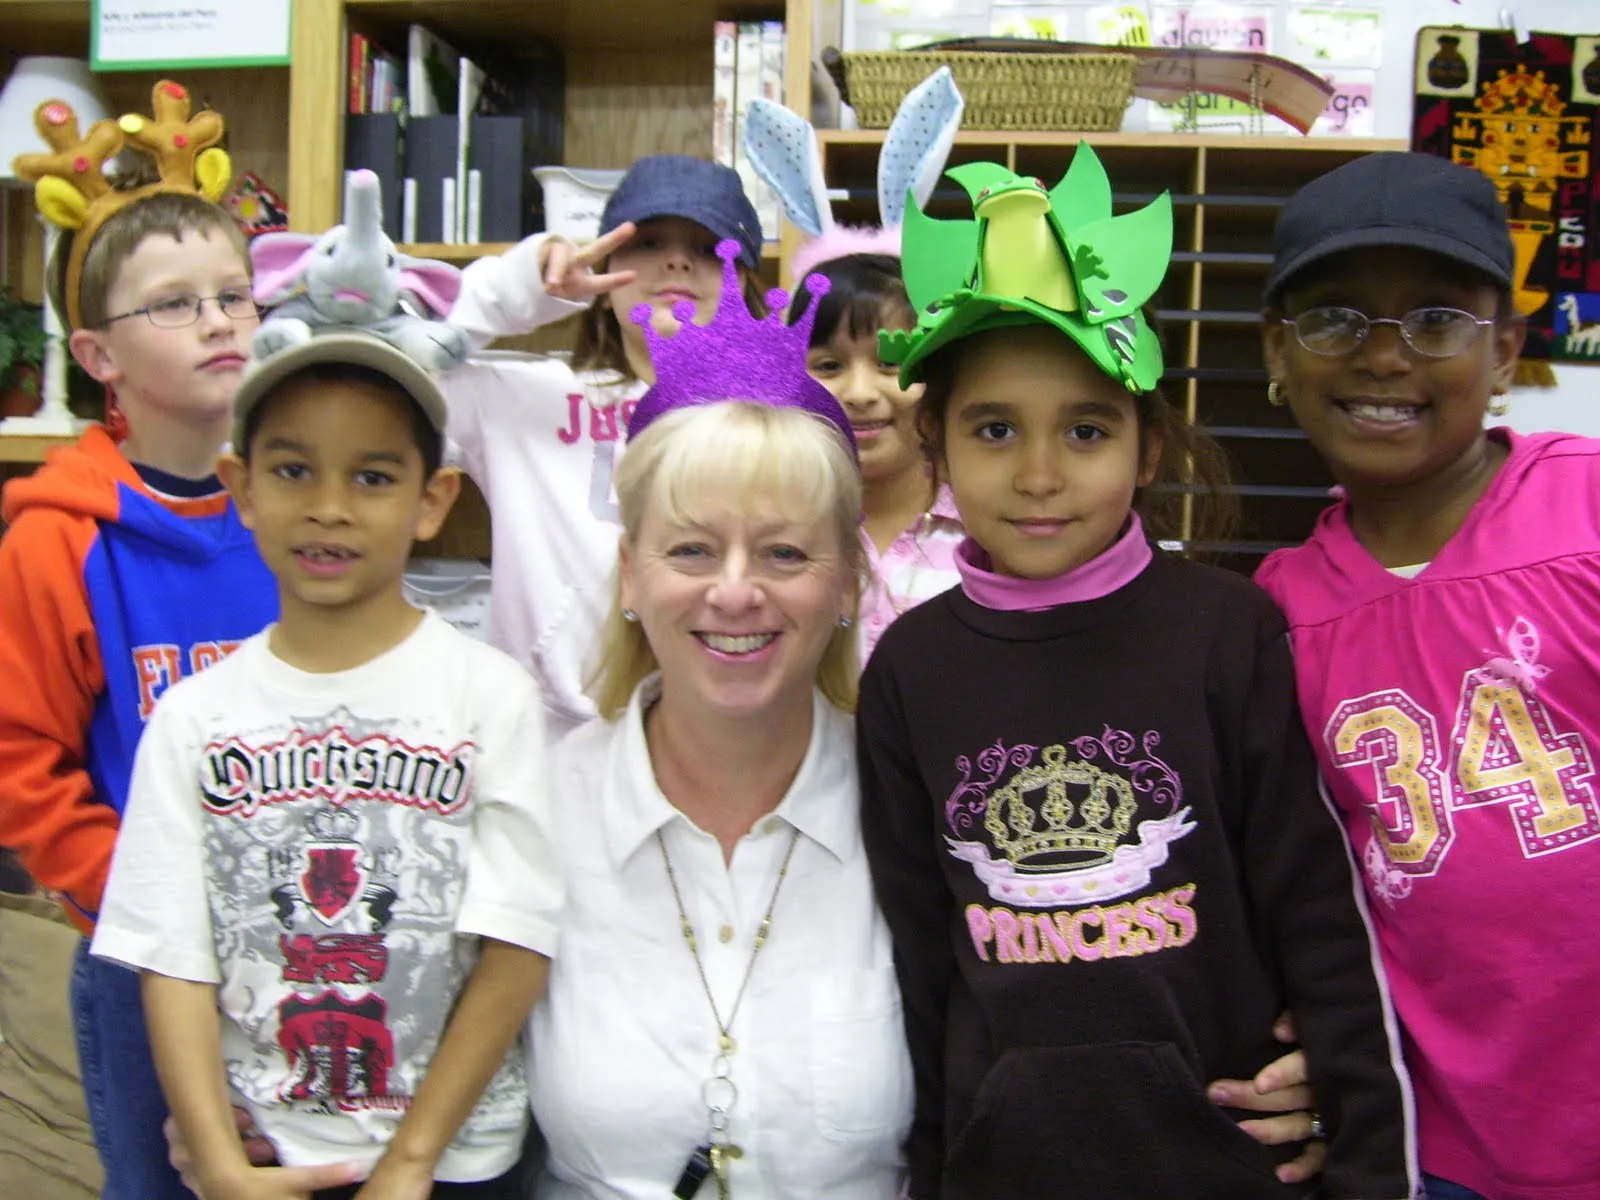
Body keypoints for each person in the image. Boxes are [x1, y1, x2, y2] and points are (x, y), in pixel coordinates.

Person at [857, 147, 1415, 1199]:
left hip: (1230, 1165)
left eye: (1084, 430)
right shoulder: (910, 672)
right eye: (992, 430)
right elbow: (919, 968)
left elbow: (1319, 921)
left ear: (1146, 450)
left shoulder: (1225, 633)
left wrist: (1368, 1163)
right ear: (933, 443)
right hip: (1005, 1170)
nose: (1036, 474)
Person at [90, 320, 563, 1200]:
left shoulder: (491, 698)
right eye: (293, 469)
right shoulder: (194, 718)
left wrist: (413, 1160)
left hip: (455, 1162)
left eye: (374, 477)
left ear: (433, 499)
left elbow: (518, 946)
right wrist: (220, 1166)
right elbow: (171, 959)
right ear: (241, 487)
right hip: (268, 1157)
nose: (330, 507)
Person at [524, 240, 911, 1197]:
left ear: (848, 586)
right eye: (692, 550)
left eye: (784, 555)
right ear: (629, 576)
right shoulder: (536, 809)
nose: (734, 595)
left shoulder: (916, 815)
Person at [1254, 152, 1600, 1200]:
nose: (1384, 357)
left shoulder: (1583, 520)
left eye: (1436, 320)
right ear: (1276, 350)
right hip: (1429, 1148)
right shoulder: (1272, 615)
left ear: (1502, 350)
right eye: (1334, 320)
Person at [0, 81, 276, 1200]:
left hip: (308, 942)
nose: (220, 321)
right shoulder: (55, 542)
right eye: (175, 304)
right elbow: (25, 768)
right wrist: (147, 909)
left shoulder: (293, 515)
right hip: (143, 956)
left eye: (236, 295)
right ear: (97, 355)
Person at [441, 154, 769, 741]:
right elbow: (365, 363)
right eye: (646, 242)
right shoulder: (521, 400)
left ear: (744, 279)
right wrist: (523, 288)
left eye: (705, 245)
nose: (675, 260)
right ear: (604, 266)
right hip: (544, 745)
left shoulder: (782, 425)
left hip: (724, 739)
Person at [749, 68, 969, 660]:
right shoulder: (771, 524)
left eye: (894, 362)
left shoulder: (985, 528)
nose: (860, 392)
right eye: (828, 364)